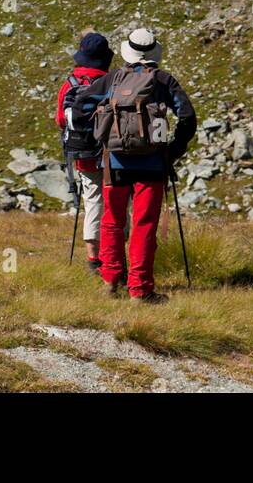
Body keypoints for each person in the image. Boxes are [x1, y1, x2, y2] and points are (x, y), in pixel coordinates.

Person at [84, 26, 196, 302]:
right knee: (144, 225)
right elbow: (188, 118)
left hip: (116, 161)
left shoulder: (112, 79)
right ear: (154, 52)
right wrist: (173, 151)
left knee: (112, 220)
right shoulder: (163, 81)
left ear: (129, 52)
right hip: (152, 163)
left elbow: (82, 105)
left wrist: (99, 141)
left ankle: (111, 280)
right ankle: (140, 290)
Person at [55, 31, 114, 274]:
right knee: (115, 202)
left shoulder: (69, 84)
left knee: (92, 202)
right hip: (112, 156)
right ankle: (116, 255)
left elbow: (61, 120)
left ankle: (93, 260)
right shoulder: (113, 81)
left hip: (83, 156)